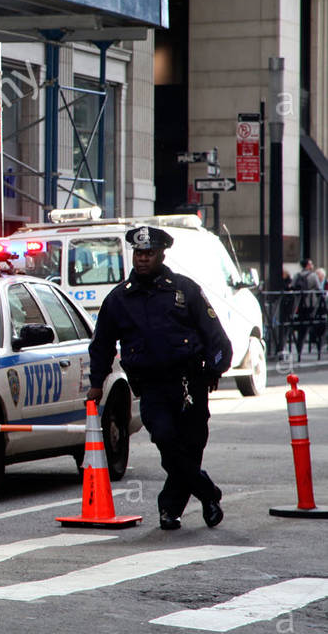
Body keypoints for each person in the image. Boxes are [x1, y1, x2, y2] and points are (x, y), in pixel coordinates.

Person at [88, 225, 232, 530]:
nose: (142, 259)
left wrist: (214, 370)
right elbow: (101, 344)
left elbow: (215, 336)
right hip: (151, 386)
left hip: (189, 383)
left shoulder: (184, 290)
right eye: (138, 253)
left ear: (161, 254)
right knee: (166, 439)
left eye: (148, 253)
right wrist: (97, 383)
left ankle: (170, 509)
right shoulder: (118, 299)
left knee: (191, 445)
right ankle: (208, 493)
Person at [291, 258, 322, 360]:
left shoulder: (297, 275)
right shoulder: (313, 276)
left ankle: (299, 350)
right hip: (310, 305)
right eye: (311, 264)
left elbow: (292, 287)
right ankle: (318, 351)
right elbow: (319, 290)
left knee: (300, 328)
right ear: (308, 265)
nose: (312, 265)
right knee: (313, 327)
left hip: (299, 305)